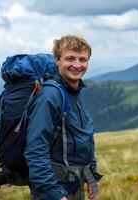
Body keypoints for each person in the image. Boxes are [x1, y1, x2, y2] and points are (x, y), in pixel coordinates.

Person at [24, 35, 102, 200]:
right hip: (56, 191)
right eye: (70, 58)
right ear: (57, 60)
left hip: (74, 185)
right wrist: (54, 194)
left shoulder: (75, 93)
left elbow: (84, 139)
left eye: (83, 59)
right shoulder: (50, 96)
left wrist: (91, 177)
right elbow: (35, 149)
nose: (77, 65)